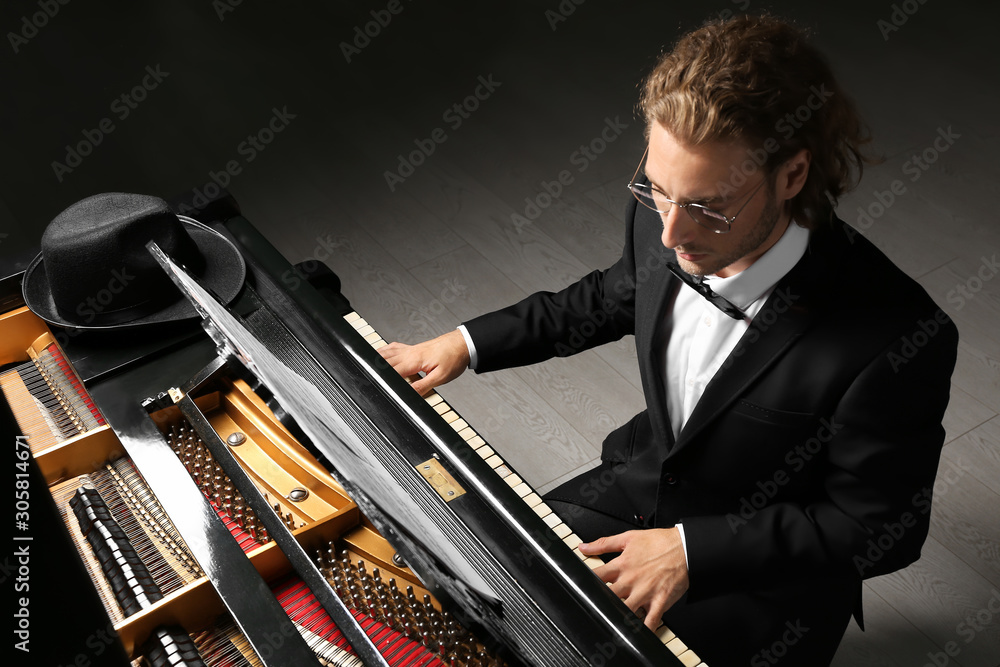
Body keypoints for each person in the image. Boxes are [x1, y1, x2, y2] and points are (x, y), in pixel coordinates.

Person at [378, 14, 958, 666]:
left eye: (709, 205)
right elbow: (609, 296)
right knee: (484, 591)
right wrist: (463, 343)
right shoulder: (670, 207)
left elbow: (880, 528)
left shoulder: (899, 335)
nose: (670, 236)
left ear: (792, 175)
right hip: (638, 489)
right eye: (657, 189)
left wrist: (690, 550)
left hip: (763, 582)